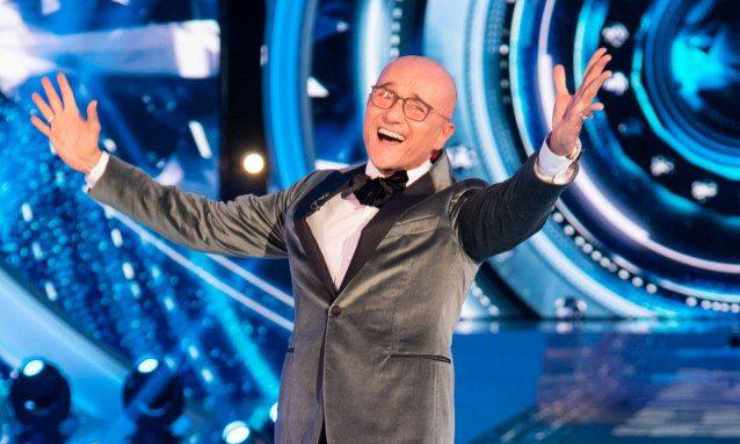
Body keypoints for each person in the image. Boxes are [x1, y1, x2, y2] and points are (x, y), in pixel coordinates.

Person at [30, 49, 612, 444]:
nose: (394, 113)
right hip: (304, 427)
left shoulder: (459, 209)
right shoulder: (313, 194)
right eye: (386, 96)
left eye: (416, 108)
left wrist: (556, 151)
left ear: (442, 135)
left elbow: (515, 211)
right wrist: (98, 165)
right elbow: (204, 223)